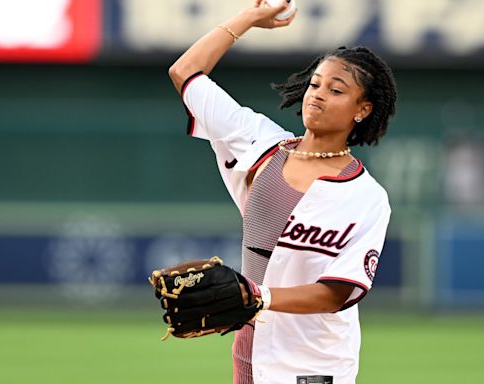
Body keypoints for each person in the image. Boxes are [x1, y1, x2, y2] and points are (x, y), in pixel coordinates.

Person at [168, 1, 397, 383]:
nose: (318, 95)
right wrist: (250, 18)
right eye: (315, 84)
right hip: (249, 350)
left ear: (363, 109)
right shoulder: (259, 143)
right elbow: (185, 72)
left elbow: (336, 293)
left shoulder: (366, 197)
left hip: (314, 364)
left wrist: (258, 297)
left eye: (336, 90)